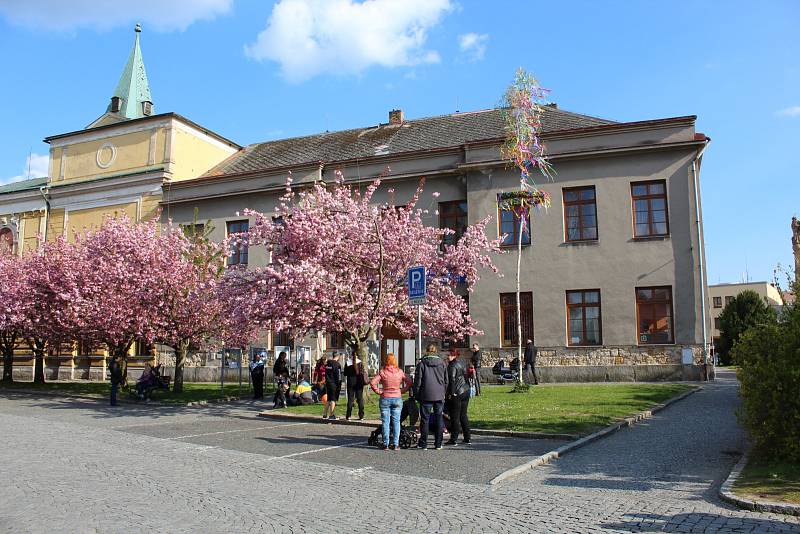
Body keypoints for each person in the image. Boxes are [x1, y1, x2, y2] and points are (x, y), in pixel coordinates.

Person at [370, 353, 412, 450]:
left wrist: (379, 391)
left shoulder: (383, 372)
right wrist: (402, 390)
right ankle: (396, 444)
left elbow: (372, 383)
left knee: (385, 422)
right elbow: (409, 382)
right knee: (396, 422)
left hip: (385, 398)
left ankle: (386, 444)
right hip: (397, 398)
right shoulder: (400, 372)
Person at [413, 343, 448, 450]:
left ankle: (423, 443)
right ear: (436, 351)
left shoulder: (422, 364)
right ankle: (438, 443)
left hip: (426, 394)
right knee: (439, 419)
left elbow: (418, 381)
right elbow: (446, 381)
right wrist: (443, 392)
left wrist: (416, 394)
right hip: (439, 394)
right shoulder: (442, 363)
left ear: (427, 351)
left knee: (425, 419)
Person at [445, 350, 471, 446]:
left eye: (449, 355)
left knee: (455, 416)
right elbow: (466, 376)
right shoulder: (462, 363)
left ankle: (454, 439)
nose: (447, 357)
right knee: (463, 415)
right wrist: (468, 387)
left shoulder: (451, 366)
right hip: (465, 390)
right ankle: (467, 437)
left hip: (457, 392)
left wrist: (451, 393)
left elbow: (451, 380)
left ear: (454, 356)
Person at [344, 354, 366, 420]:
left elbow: (345, 373)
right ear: (357, 356)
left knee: (350, 399)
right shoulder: (360, 362)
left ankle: (348, 416)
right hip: (359, 382)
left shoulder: (347, 363)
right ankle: (361, 416)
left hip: (350, 382)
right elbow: (362, 372)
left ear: (351, 355)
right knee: (360, 399)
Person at [323, 352, 342, 420]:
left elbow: (325, 373)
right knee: (333, 399)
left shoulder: (328, 363)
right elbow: (339, 376)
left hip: (328, 383)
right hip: (334, 383)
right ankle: (331, 415)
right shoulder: (337, 365)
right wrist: (339, 384)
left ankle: (324, 414)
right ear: (338, 356)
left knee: (329, 399)